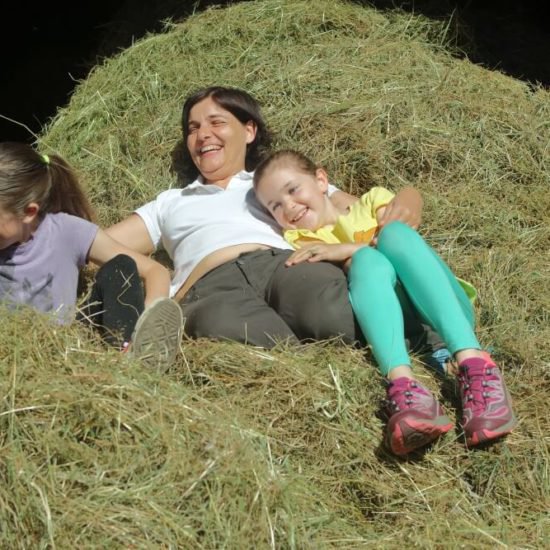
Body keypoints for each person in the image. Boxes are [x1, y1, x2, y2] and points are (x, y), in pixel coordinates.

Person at [106, 85, 430, 352]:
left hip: (285, 265)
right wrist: (153, 274)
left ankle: (430, 340)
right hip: (209, 287)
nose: (203, 134)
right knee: (233, 331)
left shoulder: (274, 183)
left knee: (333, 315)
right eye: (193, 128)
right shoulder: (170, 202)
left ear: (248, 130)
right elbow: (100, 244)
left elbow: (359, 209)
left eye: (216, 122)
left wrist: (407, 198)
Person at [253, 149, 517, 456]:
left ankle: (475, 364)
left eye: (293, 190)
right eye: (275, 206)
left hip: (442, 310)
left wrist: (347, 248)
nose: (289, 206)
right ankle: (405, 388)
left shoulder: (371, 202)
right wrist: (354, 252)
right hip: (400, 326)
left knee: (391, 235)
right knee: (365, 261)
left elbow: (398, 238)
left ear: (322, 180)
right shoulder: (302, 241)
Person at [0, 142, 182, 369]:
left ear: (29, 212)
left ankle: (129, 358)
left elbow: (155, 270)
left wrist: (150, 320)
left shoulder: (66, 232)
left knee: (121, 266)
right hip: (13, 363)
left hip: (67, 351)